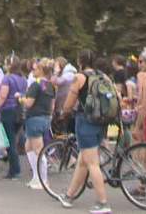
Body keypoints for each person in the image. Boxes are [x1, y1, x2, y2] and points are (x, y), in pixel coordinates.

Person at [55, 50, 112, 214]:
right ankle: (69, 196)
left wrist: (63, 113)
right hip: (101, 122)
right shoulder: (102, 76)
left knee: (92, 163)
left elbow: (69, 103)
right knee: (83, 161)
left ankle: (103, 203)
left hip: (85, 122)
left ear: (80, 62)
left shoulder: (79, 78)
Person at [22, 57, 55, 190]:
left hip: (34, 118)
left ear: (41, 70)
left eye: (35, 68)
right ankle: (36, 177)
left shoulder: (35, 84)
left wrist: (20, 98)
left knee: (38, 150)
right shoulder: (50, 85)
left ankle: (43, 180)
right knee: (28, 147)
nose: (33, 70)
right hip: (45, 117)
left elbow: (29, 103)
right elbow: (53, 105)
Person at [0, 56, 28, 181]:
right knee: (15, 138)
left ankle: (15, 170)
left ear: (10, 65)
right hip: (20, 110)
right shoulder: (23, 79)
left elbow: (3, 95)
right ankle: (14, 169)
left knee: (9, 141)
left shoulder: (7, 78)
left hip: (8, 110)